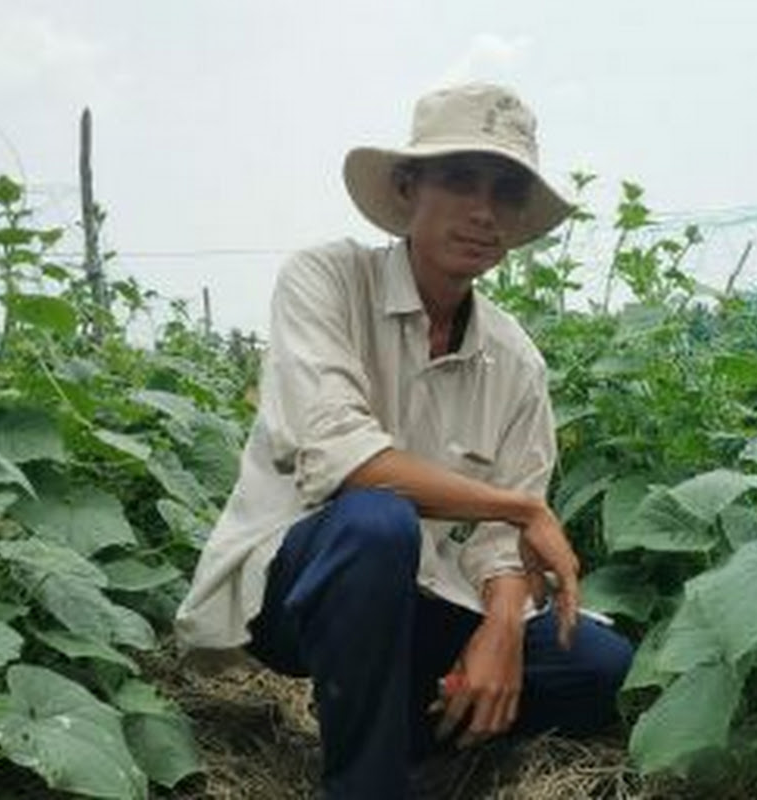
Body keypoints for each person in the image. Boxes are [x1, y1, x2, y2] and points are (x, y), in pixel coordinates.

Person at [175, 82, 633, 799]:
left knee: (600, 667)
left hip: (426, 596)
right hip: (301, 585)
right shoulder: (327, 279)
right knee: (376, 521)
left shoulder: (515, 359)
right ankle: (370, 782)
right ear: (406, 187)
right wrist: (522, 508)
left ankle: (408, 721)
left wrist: (503, 628)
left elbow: (498, 545)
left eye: (505, 191)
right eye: (460, 179)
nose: (483, 211)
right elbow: (342, 458)